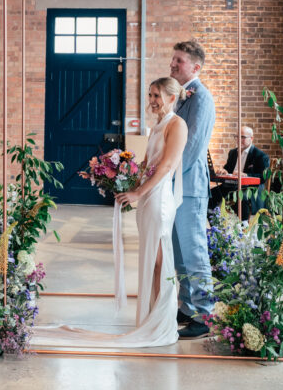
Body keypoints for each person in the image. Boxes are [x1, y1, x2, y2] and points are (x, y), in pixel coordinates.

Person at [32, 77, 188, 349]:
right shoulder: (157, 127)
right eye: (150, 95)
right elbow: (147, 165)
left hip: (159, 199)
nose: (151, 101)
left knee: (161, 260)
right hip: (147, 199)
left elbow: (166, 167)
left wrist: (139, 193)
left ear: (172, 97)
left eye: (156, 96)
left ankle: (163, 321)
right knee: (150, 260)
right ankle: (152, 316)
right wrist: (125, 181)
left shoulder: (177, 125)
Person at [169, 40, 216, 339]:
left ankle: (205, 314)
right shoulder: (182, 97)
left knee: (195, 252)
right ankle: (186, 307)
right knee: (179, 254)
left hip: (189, 188)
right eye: (172, 59)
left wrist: (164, 177)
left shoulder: (201, 99)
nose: (172, 64)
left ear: (195, 67)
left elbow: (192, 148)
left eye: (179, 61)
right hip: (175, 188)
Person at [209, 126, 270, 219]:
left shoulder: (261, 156)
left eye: (243, 137)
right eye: (237, 137)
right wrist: (223, 171)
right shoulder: (233, 153)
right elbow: (228, 169)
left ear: (251, 138)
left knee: (241, 196)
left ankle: (243, 226)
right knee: (211, 194)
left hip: (251, 189)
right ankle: (214, 222)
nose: (239, 140)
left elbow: (263, 177)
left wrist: (246, 175)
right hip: (232, 186)